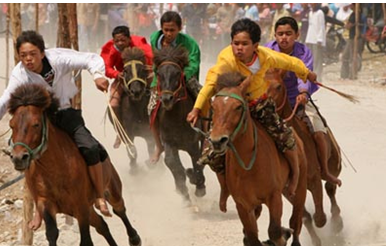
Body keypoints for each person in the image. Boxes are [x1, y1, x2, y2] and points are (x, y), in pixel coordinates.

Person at [0, 31, 112, 228]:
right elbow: (5, 99)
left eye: (32, 54)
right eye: (23, 56)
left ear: (42, 53)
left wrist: (98, 76)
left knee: (90, 147)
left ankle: (99, 196)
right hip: (41, 120)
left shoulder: (59, 59)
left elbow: (90, 59)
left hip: (66, 114)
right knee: (25, 155)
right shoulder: (20, 74)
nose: (28, 59)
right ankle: (39, 211)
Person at [186, 18, 318, 209]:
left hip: (260, 105)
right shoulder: (226, 59)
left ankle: (295, 179)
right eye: (235, 43)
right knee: (211, 153)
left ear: (255, 46)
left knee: (286, 137)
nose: (239, 48)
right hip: (234, 107)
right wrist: (197, 108)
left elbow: (290, 62)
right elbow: (210, 85)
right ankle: (226, 189)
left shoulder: (266, 56)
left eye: (244, 44)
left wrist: (307, 74)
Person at [265, 16, 342, 186]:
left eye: (288, 33)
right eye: (280, 34)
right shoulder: (267, 51)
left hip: (296, 100)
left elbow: (304, 75)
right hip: (269, 101)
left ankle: (325, 170)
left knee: (318, 129)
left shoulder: (303, 52)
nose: (284, 37)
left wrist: (304, 93)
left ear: (297, 35)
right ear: (275, 35)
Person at [148, 11, 203, 164]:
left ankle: (206, 140)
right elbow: (156, 62)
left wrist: (181, 75)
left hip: (185, 78)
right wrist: (156, 79)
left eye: (172, 30)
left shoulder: (190, 43)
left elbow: (194, 63)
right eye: (166, 30)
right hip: (162, 79)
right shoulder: (154, 39)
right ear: (161, 28)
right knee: (150, 109)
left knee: (204, 100)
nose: (169, 33)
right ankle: (159, 146)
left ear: (180, 28)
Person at [100, 25, 154, 148]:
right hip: (123, 79)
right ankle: (120, 131)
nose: (120, 43)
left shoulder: (139, 45)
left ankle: (160, 128)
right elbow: (106, 68)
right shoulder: (112, 50)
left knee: (160, 94)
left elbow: (152, 57)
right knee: (113, 104)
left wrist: (150, 68)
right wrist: (117, 74)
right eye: (117, 41)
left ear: (129, 39)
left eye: (122, 40)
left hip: (142, 76)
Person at [305, 4, 326, 82]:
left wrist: (320, 39)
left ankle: (318, 77)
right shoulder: (310, 13)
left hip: (317, 40)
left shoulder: (320, 13)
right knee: (311, 59)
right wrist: (307, 39)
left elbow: (321, 27)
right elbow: (310, 27)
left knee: (317, 60)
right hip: (310, 38)